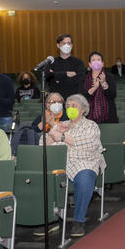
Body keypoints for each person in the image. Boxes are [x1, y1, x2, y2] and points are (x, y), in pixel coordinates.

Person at [44, 94, 106, 236]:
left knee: (84, 179)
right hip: (61, 163)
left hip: (85, 162)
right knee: (42, 178)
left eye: (74, 106)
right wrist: (53, 131)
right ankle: (48, 220)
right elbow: (44, 145)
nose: (70, 108)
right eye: (68, 106)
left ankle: (78, 220)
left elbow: (90, 144)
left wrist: (64, 137)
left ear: (83, 109)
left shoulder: (90, 125)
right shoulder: (61, 125)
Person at [46, 34, 85, 100]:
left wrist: (57, 78)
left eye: (69, 43)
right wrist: (65, 74)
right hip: (56, 100)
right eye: (63, 43)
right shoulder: (51, 62)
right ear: (58, 45)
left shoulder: (79, 62)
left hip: (74, 100)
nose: (66, 45)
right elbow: (48, 77)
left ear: (72, 45)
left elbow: (79, 80)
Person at [82, 51, 117, 123]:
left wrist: (104, 83)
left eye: (98, 60)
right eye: (93, 60)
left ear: (102, 63)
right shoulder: (84, 78)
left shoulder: (109, 77)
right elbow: (82, 98)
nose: (96, 62)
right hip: (88, 118)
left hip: (108, 117)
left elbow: (113, 95)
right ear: (89, 64)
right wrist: (94, 88)